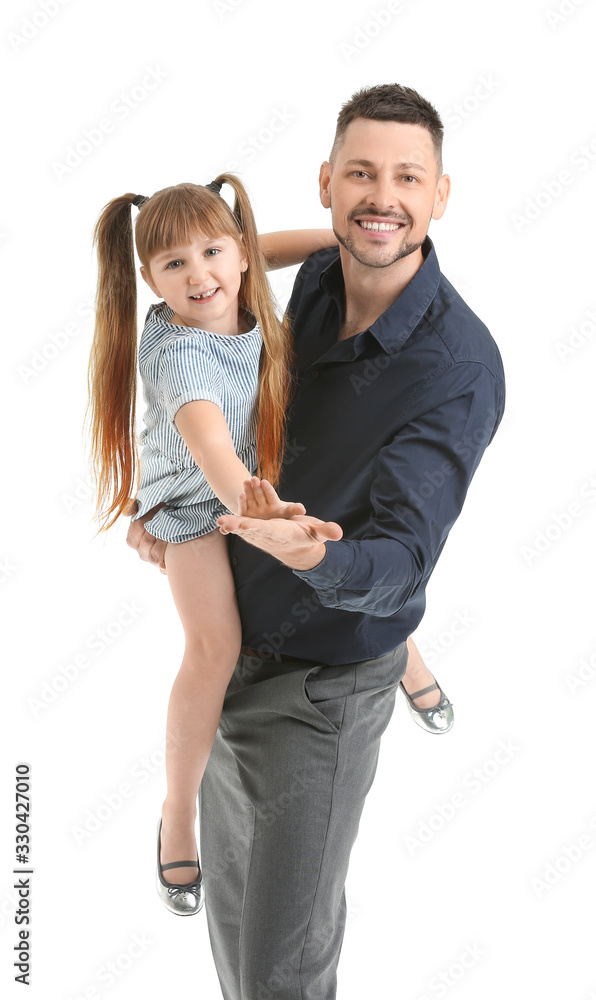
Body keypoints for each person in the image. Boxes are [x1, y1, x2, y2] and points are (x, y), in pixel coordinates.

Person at [128, 82, 505, 996]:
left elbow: (401, 556)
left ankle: (411, 672)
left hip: (324, 692)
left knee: (281, 975)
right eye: (363, 174)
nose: (384, 195)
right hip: (240, 651)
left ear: (441, 195)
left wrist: (312, 553)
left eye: (408, 177)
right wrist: (192, 530)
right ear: (327, 185)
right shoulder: (310, 281)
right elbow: (224, 435)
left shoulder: (457, 369)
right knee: (238, 953)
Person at [86, 172, 451, 925]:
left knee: (335, 546)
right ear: (149, 280)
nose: (202, 277)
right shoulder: (181, 355)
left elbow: (268, 248)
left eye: (213, 253)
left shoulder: (238, 284)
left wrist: (345, 243)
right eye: (174, 266)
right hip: (195, 502)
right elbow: (208, 441)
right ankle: (178, 808)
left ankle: (404, 649)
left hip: (262, 467)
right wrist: (252, 504)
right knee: (214, 648)